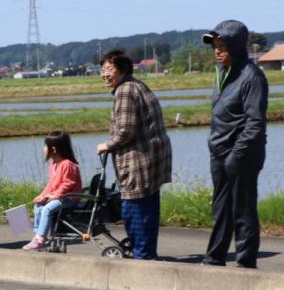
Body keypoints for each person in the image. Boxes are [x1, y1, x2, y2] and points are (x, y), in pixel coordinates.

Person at [201, 20, 268, 268]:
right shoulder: (222, 73)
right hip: (218, 151)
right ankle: (215, 256)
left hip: (242, 154)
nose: (217, 51)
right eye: (215, 46)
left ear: (237, 46)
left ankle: (245, 261)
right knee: (220, 209)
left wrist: (236, 155)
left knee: (242, 209)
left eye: (222, 46)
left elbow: (255, 123)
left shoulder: (252, 77)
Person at [95, 49, 173, 260]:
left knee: (134, 209)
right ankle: (147, 254)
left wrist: (106, 145)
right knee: (148, 209)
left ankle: (143, 257)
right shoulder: (137, 84)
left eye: (109, 69)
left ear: (122, 70)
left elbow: (125, 130)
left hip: (139, 162)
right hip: (152, 161)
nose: (104, 74)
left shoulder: (125, 91)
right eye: (102, 70)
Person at [23, 131, 82, 251]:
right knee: (38, 206)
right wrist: (42, 195)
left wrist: (55, 195)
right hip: (58, 196)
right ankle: (39, 235)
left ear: (53, 149)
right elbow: (51, 183)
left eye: (45, 146)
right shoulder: (53, 163)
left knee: (47, 209)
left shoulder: (67, 164)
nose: (43, 148)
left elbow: (68, 183)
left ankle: (41, 239)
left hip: (69, 198)